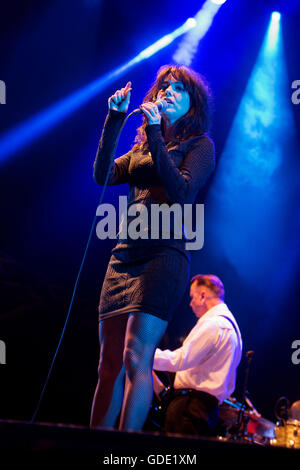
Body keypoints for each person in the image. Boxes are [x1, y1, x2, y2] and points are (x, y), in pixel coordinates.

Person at [90, 65, 215, 432]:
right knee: (108, 362)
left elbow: (181, 191)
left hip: (163, 257)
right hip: (123, 257)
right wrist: (114, 119)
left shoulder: (199, 145)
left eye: (179, 89)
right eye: (164, 87)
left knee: (135, 357)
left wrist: (158, 132)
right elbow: (103, 175)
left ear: (193, 103)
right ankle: (94, 446)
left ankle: (125, 450)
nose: (169, 92)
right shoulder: (143, 149)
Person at [153, 274, 243, 436]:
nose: (190, 304)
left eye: (192, 297)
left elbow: (180, 360)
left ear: (203, 296)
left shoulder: (214, 324)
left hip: (189, 408)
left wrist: (146, 356)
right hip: (207, 410)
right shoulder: (233, 328)